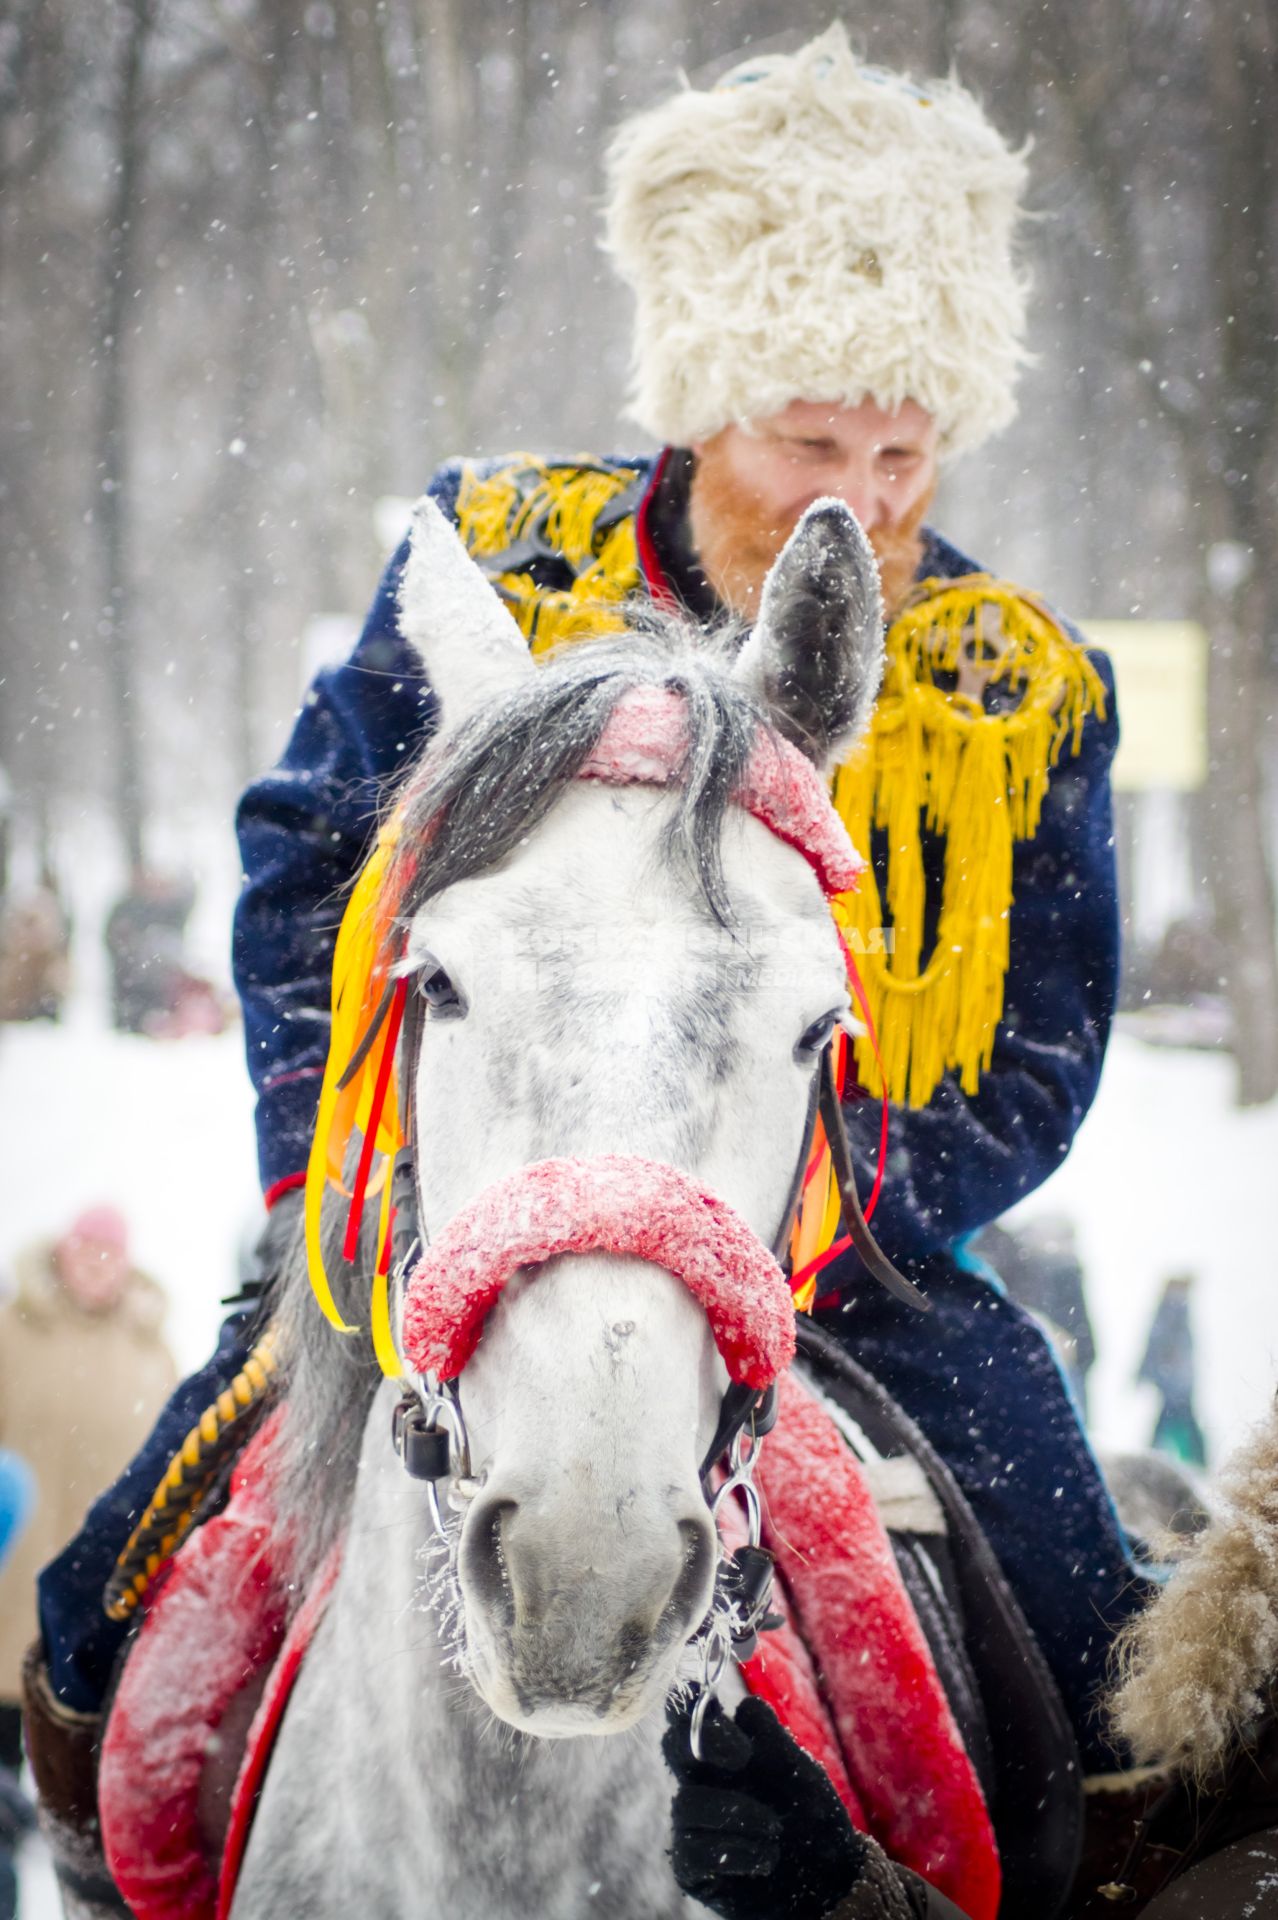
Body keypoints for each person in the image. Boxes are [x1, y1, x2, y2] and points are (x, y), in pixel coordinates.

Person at [27, 27, 1141, 1917]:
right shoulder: (488, 559)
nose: (851, 504)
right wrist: (340, 1160)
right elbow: (311, 863)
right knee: (108, 1581)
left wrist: (813, 1205)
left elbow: (1040, 1045)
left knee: (1088, 1625)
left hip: (850, 1256)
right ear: (705, 398)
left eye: (897, 451)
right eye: (808, 440)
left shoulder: (1014, 683)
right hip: (451, 1201)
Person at [1, 1211, 176, 1766]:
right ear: (62, 1253)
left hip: (100, 1569)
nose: (96, 1264)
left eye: (109, 1253)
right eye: (86, 1250)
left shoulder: (151, 1350)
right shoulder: (13, 1331)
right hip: (14, 1558)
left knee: (80, 1721)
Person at [1137, 1274, 1207, 1467]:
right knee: (1179, 1421)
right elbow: (1158, 1343)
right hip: (1175, 1380)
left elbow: (1154, 1343)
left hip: (1174, 1379)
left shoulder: (1173, 1308)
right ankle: (1197, 1461)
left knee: (1172, 1421)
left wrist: (1144, 1373)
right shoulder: (1174, 1309)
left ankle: (1154, 1457)